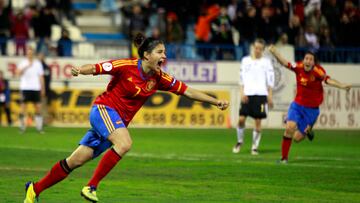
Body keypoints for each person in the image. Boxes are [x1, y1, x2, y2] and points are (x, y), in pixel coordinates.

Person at [23, 33, 229, 203]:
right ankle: (91, 187)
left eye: (164, 52)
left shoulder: (159, 78)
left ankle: (34, 189)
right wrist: (80, 71)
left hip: (114, 124)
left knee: (74, 161)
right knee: (125, 143)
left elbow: (188, 92)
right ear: (147, 55)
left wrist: (214, 101)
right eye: (160, 52)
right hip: (103, 110)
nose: (164, 56)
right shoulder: (127, 65)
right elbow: (99, 68)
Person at [268, 45, 351, 163]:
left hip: (311, 110)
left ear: (313, 62)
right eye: (306, 58)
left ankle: (308, 129)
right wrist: (275, 52)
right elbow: (285, 63)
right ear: (303, 60)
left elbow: (328, 80)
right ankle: (284, 158)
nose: (308, 61)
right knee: (289, 128)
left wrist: (342, 86)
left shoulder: (318, 71)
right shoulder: (299, 67)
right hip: (297, 106)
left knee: (297, 138)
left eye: (310, 59)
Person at [232, 39, 274, 155]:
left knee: (258, 122)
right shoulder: (245, 61)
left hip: (261, 95)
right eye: (256, 48)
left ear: (263, 50)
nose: (257, 50)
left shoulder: (266, 62)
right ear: (253, 47)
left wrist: (270, 96)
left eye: (260, 48)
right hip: (247, 95)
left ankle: (254, 147)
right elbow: (241, 79)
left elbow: (270, 81)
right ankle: (240, 141)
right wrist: (242, 93)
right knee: (241, 120)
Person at [17, 46, 45, 133]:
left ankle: (39, 128)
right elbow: (18, 73)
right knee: (23, 107)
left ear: (33, 53)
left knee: (38, 108)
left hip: (36, 88)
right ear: (26, 53)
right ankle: (22, 127)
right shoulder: (22, 63)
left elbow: (41, 77)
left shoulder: (38, 63)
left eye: (31, 52)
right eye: (28, 52)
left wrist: (42, 88)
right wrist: (26, 67)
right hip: (25, 88)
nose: (30, 54)